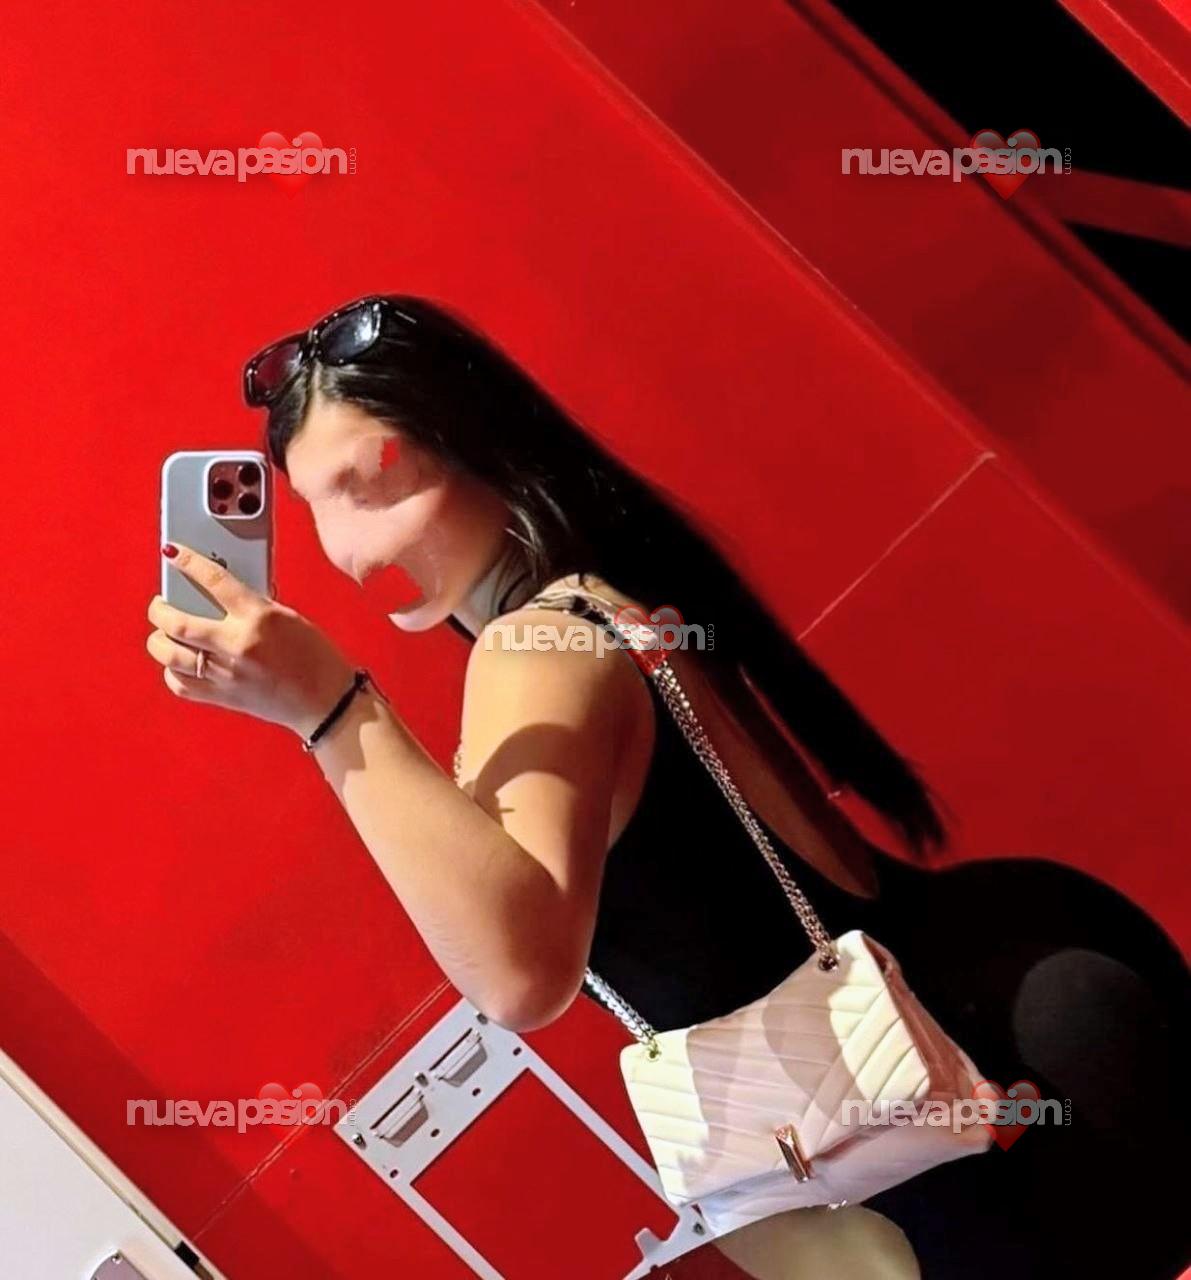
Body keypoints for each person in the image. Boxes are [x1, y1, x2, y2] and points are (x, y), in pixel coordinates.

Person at [145, 294, 1190, 1278]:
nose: (342, 547)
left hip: (964, 1119)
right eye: (313, 504)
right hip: (1011, 1009)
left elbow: (518, 977)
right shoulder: (602, 595)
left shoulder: (532, 645)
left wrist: (327, 710)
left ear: (450, 441)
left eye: (366, 479)